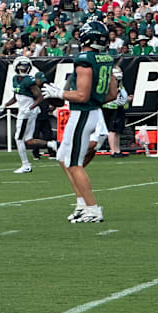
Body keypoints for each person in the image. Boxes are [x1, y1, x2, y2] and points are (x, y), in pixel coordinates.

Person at [42, 21, 117, 223]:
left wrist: (59, 93)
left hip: (82, 113)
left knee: (74, 164)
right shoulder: (106, 59)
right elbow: (111, 94)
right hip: (92, 112)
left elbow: (82, 95)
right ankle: (82, 204)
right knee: (62, 157)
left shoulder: (84, 59)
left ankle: (93, 209)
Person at [3, 56, 57, 173]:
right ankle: (51, 144)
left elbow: (40, 97)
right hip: (24, 111)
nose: (23, 68)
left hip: (27, 113)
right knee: (28, 140)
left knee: (18, 138)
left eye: (25, 66)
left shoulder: (29, 80)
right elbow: (16, 96)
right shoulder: (15, 79)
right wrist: (5, 105)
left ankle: (26, 165)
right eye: (21, 66)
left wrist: (30, 107)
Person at [101, 66, 131, 158]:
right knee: (112, 130)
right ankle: (113, 151)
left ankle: (117, 150)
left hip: (118, 107)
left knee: (118, 130)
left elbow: (123, 96)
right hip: (110, 108)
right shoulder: (108, 83)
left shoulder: (119, 84)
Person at [31, 71, 57, 160]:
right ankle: (36, 154)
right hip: (36, 116)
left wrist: (52, 106)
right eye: (40, 80)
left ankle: (52, 152)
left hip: (45, 114)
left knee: (48, 134)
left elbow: (53, 99)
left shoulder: (46, 87)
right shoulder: (33, 88)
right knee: (35, 135)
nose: (41, 82)